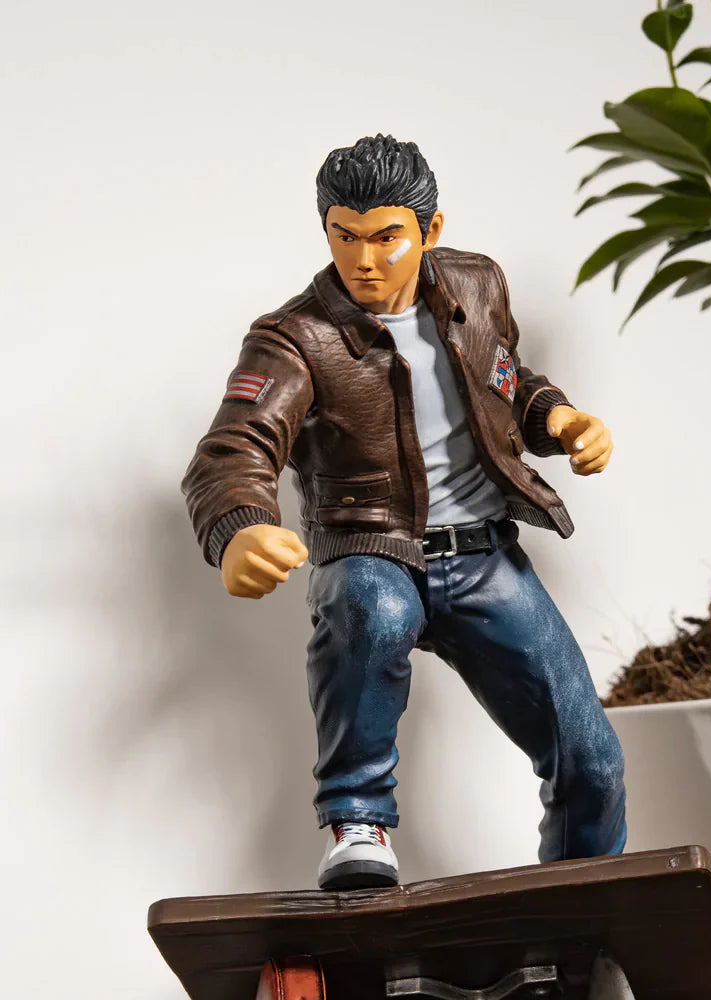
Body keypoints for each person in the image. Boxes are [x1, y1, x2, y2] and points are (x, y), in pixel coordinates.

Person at [182, 134, 626, 889]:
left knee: (594, 760)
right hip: (371, 549)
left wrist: (556, 417)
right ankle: (357, 822)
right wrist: (240, 527)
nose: (364, 260)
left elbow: (504, 377)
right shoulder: (295, 339)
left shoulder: (477, 286)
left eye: (386, 237)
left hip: (483, 559)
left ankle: (586, 896)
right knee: (374, 610)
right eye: (344, 236)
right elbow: (235, 447)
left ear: (431, 229)